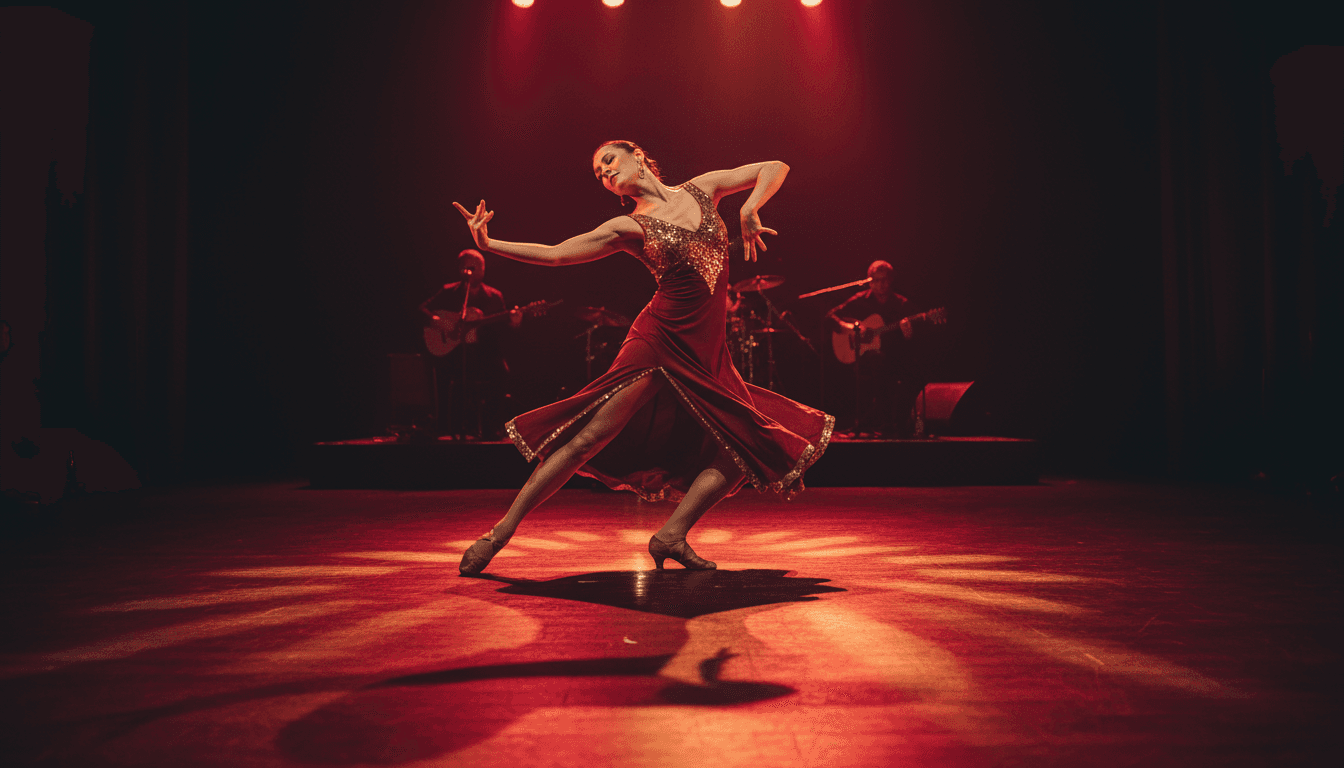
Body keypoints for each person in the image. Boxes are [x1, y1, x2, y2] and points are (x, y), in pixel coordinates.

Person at [452, 140, 833, 576]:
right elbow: (557, 254)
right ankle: (497, 534)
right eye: (598, 173)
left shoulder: (703, 189)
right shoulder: (627, 226)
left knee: (743, 448)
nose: (604, 173)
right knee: (589, 437)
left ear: (637, 156)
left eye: (608, 161)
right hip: (658, 338)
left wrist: (749, 209)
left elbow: (774, 164)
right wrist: (489, 242)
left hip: (707, 349)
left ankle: (671, 535)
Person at [418, 249, 517, 439]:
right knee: (442, 372)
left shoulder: (494, 296)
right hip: (454, 353)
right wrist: (437, 320)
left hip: (484, 352)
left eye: (477, 267)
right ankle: (447, 426)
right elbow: (422, 310)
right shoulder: (449, 292)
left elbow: (502, 330)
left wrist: (514, 322)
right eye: (468, 267)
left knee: (501, 371)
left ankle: (491, 428)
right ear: (461, 269)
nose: (473, 271)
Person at [826, 260, 922, 437]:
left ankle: (895, 423)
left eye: (884, 280)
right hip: (865, 359)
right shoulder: (861, 299)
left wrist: (909, 334)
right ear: (869, 282)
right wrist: (850, 328)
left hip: (895, 358)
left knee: (895, 365)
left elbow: (912, 341)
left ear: (891, 280)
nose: (880, 285)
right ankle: (882, 422)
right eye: (875, 280)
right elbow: (830, 316)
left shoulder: (902, 304)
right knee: (876, 359)